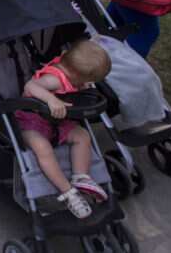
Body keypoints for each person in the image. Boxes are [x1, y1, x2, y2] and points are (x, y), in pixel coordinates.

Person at [17, 40, 112, 219]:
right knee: (42, 148)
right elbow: (30, 86)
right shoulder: (54, 78)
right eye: (87, 80)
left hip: (57, 122)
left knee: (82, 136)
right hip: (31, 121)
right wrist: (51, 100)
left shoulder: (73, 74)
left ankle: (81, 176)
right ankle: (68, 192)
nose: (89, 83)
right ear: (75, 73)